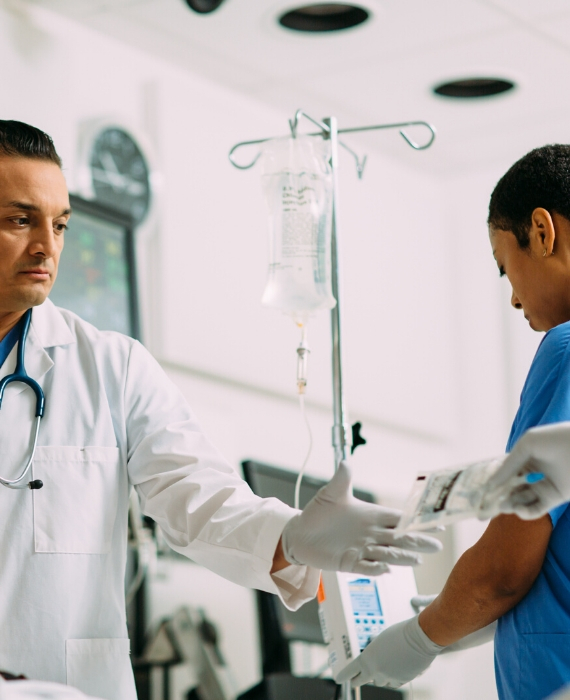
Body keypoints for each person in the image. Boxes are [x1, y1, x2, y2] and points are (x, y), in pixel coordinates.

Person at [0, 120, 441, 700]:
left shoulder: (112, 367)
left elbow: (197, 493)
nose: (47, 246)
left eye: (59, 224)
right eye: (19, 220)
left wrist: (295, 536)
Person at [338, 144, 570, 700]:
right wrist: (457, 618)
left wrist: (418, 641)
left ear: (541, 232)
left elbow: (505, 568)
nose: (514, 299)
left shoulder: (565, 349)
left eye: (504, 267)